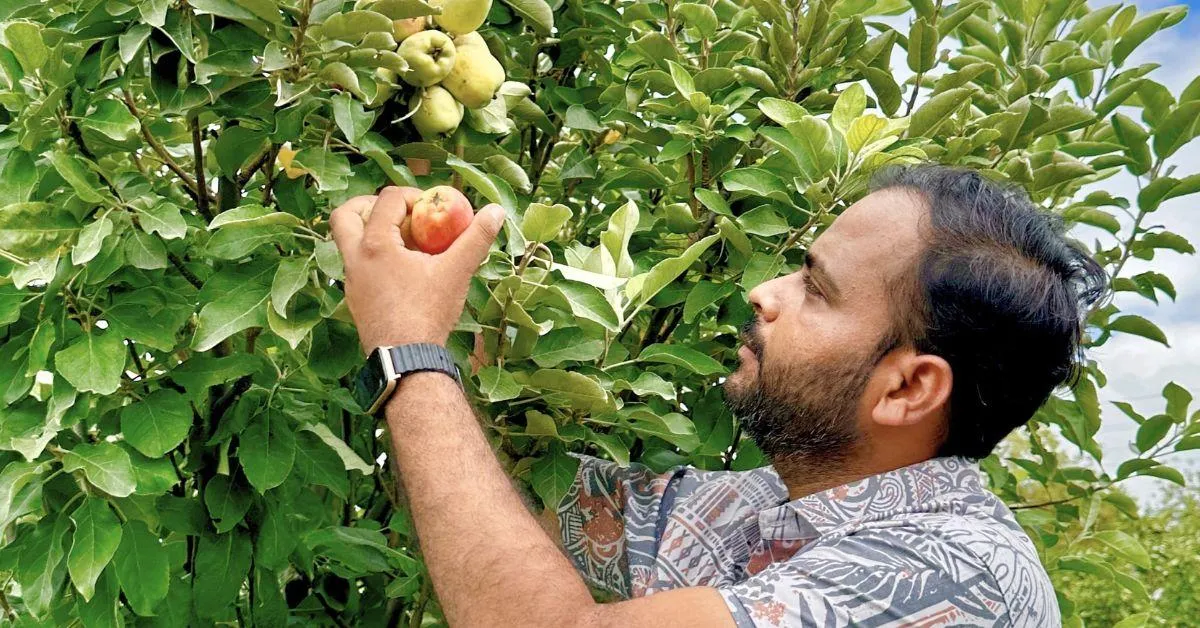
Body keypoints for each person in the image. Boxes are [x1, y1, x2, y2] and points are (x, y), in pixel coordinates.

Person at [329, 164, 1107, 627]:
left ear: (907, 387)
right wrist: (462, 320)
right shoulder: (748, 509)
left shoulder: (957, 584)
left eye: (818, 289)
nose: (767, 292)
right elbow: (499, 512)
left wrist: (407, 347)